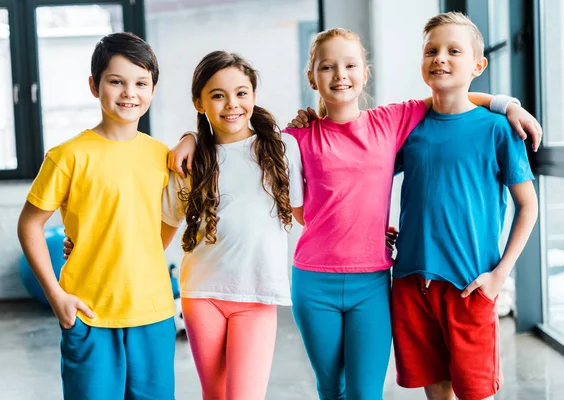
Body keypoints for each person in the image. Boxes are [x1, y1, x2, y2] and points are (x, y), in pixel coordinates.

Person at [170, 27, 541, 399]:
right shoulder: (294, 140)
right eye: (327, 67)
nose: (340, 75)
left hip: (373, 284)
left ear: (365, 72)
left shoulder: (392, 121)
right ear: (312, 77)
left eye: (350, 65)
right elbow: (244, 153)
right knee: (332, 388)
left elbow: (451, 97)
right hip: (314, 283)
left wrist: (505, 103)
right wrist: (191, 137)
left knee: (365, 392)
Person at [17, 32, 176, 400]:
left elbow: (168, 220)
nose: (129, 93)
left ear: (153, 90)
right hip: (88, 313)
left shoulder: (164, 157)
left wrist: (138, 255)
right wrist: (57, 296)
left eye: (141, 83)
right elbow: (30, 224)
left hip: (153, 314)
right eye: (116, 82)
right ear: (94, 85)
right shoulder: (68, 155)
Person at [391, 12, 538, 400]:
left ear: (478, 64)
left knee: (475, 392)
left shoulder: (499, 129)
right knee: (436, 391)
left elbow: (528, 206)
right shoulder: (409, 128)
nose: (440, 58)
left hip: (470, 286)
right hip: (411, 282)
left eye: (453, 51)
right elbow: (364, 178)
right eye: (431, 51)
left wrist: (500, 275)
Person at [161, 50, 304, 399]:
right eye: (218, 95)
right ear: (200, 102)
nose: (232, 104)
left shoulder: (283, 149)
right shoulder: (188, 160)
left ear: (253, 96)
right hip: (201, 294)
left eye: (241, 92)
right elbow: (160, 232)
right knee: (215, 394)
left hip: (256, 294)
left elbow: (306, 213)